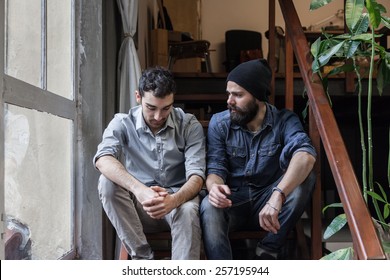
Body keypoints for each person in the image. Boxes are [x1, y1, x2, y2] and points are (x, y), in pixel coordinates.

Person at [200, 59, 316, 260]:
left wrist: (277, 195)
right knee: (209, 206)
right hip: (233, 202)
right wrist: (214, 188)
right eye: (229, 94)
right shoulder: (220, 123)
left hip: (269, 202)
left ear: (259, 97)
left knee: (306, 178)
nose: (229, 101)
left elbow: (305, 156)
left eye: (238, 95)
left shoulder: (284, 121)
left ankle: (268, 251)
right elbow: (215, 168)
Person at [93, 66, 206, 260]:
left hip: (179, 203)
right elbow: (103, 159)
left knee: (188, 211)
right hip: (139, 208)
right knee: (106, 183)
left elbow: (197, 177)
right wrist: (140, 190)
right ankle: (144, 261)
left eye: (166, 108)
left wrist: (174, 200)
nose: (158, 117)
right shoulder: (122, 122)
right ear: (138, 96)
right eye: (151, 108)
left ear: (173, 100)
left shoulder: (189, 124)